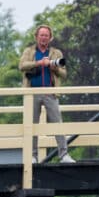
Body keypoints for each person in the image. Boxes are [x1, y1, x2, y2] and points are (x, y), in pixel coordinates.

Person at [19, 24, 73, 163]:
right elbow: (22, 66)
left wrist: (52, 66)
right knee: (32, 124)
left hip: (51, 91)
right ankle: (33, 156)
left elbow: (64, 73)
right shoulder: (29, 51)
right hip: (32, 93)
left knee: (57, 122)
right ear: (36, 37)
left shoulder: (57, 53)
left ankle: (64, 155)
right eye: (41, 35)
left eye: (46, 35)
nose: (44, 38)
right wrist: (38, 63)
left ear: (50, 37)